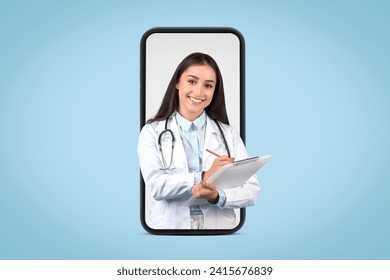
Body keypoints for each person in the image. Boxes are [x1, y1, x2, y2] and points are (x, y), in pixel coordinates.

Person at [138, 52, 260, 229]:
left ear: (214, 91)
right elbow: (156, 186)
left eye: (208, 85)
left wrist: (217, 196)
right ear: (177, 83)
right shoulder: (151, 132)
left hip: (218, 229)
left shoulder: (228, 134)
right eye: (192, 81)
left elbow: (251, 190)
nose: (199, 92)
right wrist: (204, 176)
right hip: (170, 227)